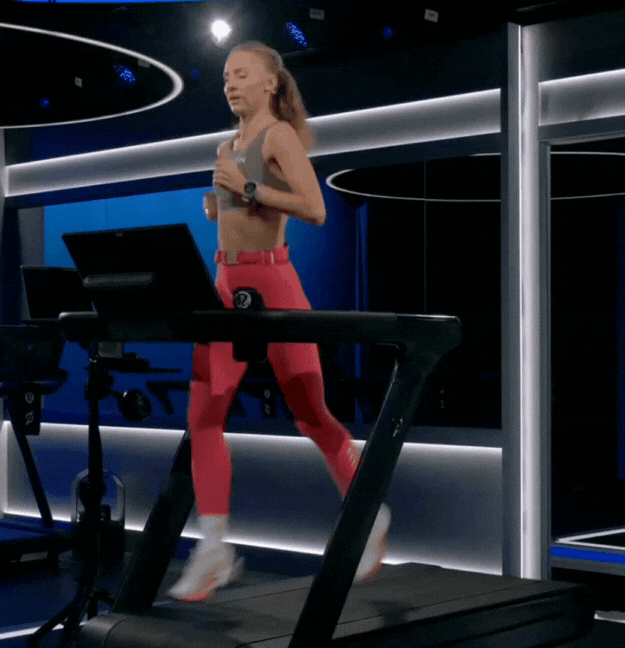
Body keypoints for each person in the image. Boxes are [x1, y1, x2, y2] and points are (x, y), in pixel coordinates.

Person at [167, 41, 391, 603]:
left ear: (270, 82)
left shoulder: (279, 137)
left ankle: (369, 514)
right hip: (225, 284)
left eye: (241, 75)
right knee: (204, 416)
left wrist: (245, 188)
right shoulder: (226, 144)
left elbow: (314, 208)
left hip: (274, 283)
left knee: (311, 415)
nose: (230, 84)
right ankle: (214, 544)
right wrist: (219, 207)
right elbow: (242, 210)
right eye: (224, 77)